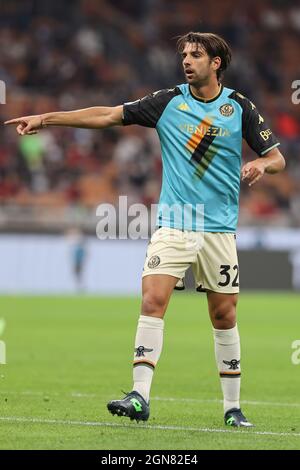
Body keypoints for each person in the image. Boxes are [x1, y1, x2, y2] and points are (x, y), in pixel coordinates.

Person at [5, 32, 286, 427]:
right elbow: (108, 115)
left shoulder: (238, 107)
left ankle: (232, 408)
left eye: (196, 55)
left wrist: (260, 165)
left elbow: (277, 159)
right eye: (184, 55)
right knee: (153, 299)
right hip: (174, 224)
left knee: (224, 316)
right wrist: (46, 118)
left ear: (216, 62)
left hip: (220, 230)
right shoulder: (168, 102)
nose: (187, 61)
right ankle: (139, 395)